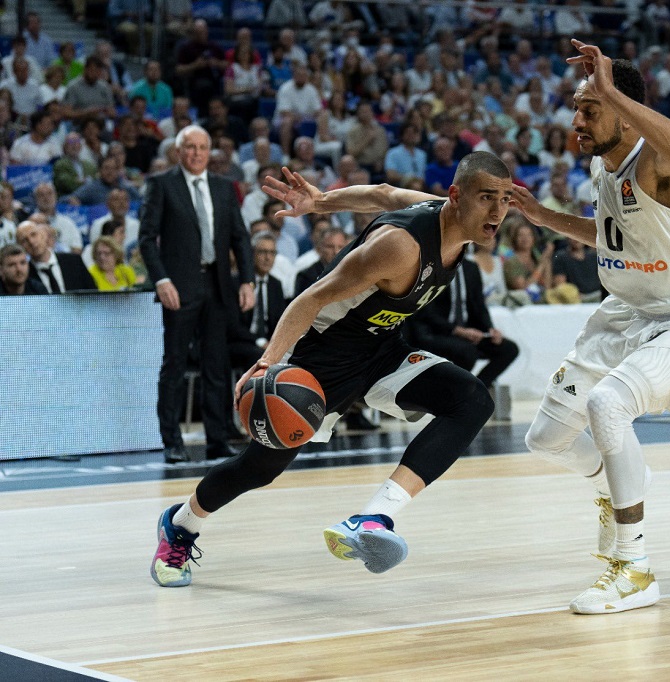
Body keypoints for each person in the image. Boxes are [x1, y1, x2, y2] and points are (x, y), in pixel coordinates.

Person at [150, 153, 509, 587]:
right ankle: (181, 525)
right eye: (487, 198)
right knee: (259, 468)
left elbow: (382, 194)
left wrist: (321, 202)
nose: (498, 211)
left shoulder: (453, 218)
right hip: (320, 359)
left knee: (470, 400)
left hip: (380, 350)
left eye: (504, 199)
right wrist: (268, 363)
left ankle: (373, 519)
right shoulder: (400, 246)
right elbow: (310, 299)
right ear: (456, 197)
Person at [507, 41, 670, 615]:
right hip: (624, 313)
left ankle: (633, 569)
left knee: (609, 405)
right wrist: (543, 218)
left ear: (624, 109)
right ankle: (620, 485)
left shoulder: (661, 165)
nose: (576, 119)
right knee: (545, 438)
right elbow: (612, 236)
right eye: (578, 107)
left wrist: (611, 89)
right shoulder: (600, 168)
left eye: (590, 108)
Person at [138, 125, 256, 464]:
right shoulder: (161, 184)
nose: (196, 153)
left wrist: (247, 281)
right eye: (190, 147)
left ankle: (217, 439)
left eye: (202, 147)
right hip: (178, 287)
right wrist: (161, 280)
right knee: (174, 364)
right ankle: (171, 441)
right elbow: (147, 238)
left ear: (209, 152)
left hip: (217, 287)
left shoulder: (224, 187)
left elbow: (240, 238)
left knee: (216, 367)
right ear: (178, 152)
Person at [408, 257, 519, 389]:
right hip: (436, 332)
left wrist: (490, 329)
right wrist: (458, 330)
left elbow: (479, 305)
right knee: (467, 352)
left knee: (509, 349)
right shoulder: (432, 267)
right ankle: (454, 391)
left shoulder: (471, 267)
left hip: (467, 332)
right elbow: (425, 312)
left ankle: (477, 388)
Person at [17, 220, 96, 293]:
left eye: (33, 234)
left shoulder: (74, 261)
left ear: (43, 236)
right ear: (21, 247)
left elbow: (94, 293)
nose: (31, 241)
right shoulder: (25, 275)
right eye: (24, 240)